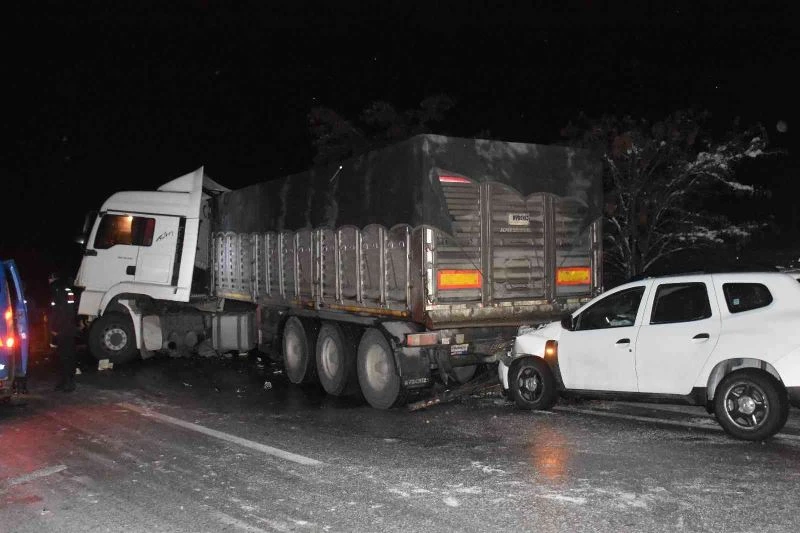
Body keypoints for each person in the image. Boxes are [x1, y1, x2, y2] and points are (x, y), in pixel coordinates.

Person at [48, 272, 78, 392]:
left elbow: (57, 311)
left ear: (52, 279)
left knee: (63, 356)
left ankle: (65, 383)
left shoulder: (57, 290)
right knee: (69, 354)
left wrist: (55, 328)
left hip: (62, 329)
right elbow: (72, 309)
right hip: (70, 327)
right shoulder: (68, 290)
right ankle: (68, 381)